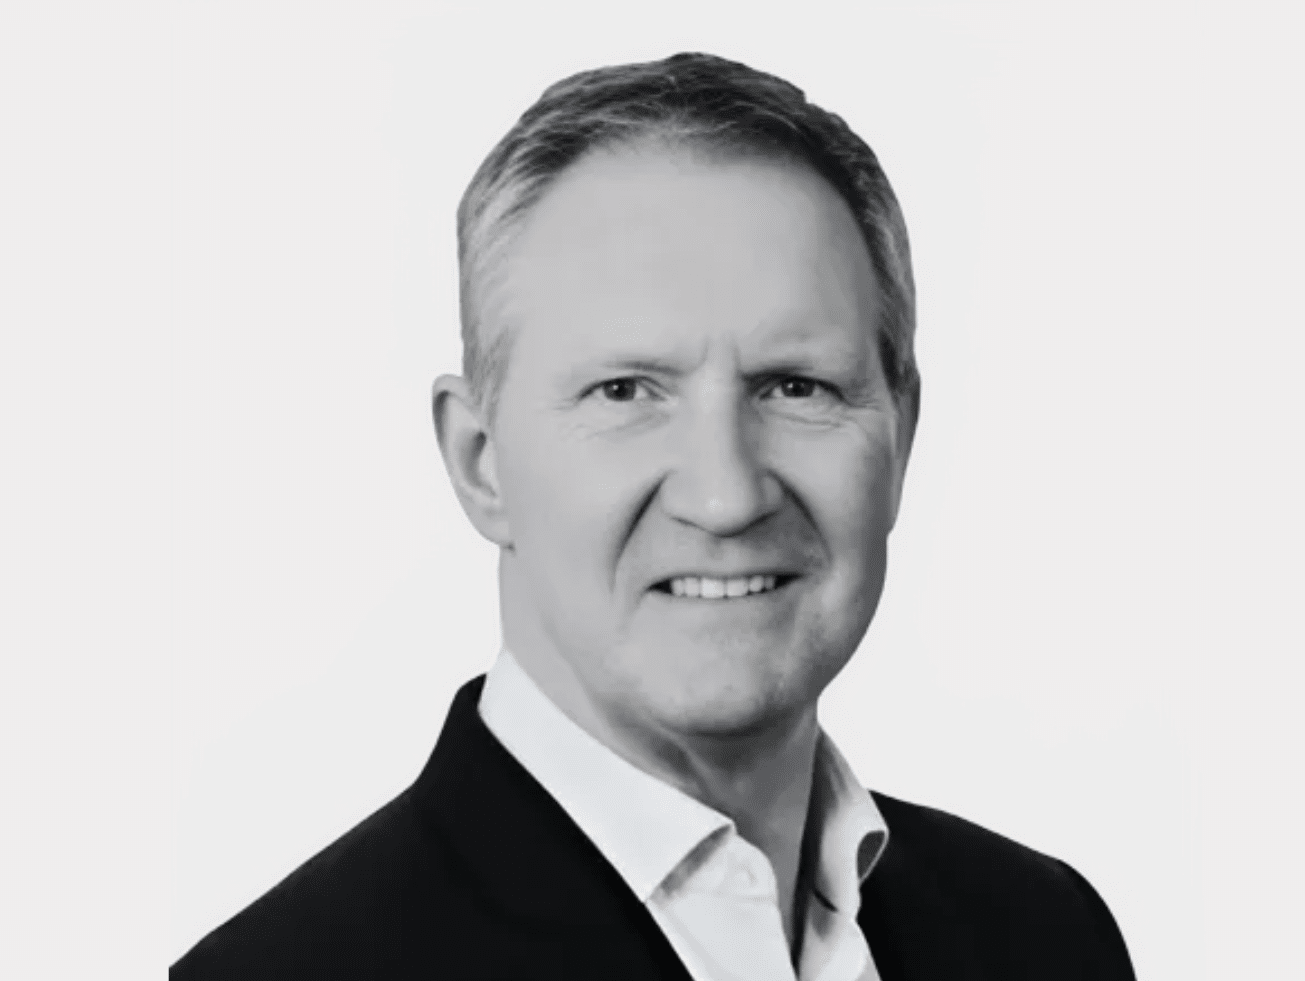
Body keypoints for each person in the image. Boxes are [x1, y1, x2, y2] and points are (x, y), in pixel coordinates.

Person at [173, 52, 1136, 980]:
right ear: (480, 463)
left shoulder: (1045, 934)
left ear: (900, 437)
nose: (725, 495)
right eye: (626, 391)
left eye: (795, 385)